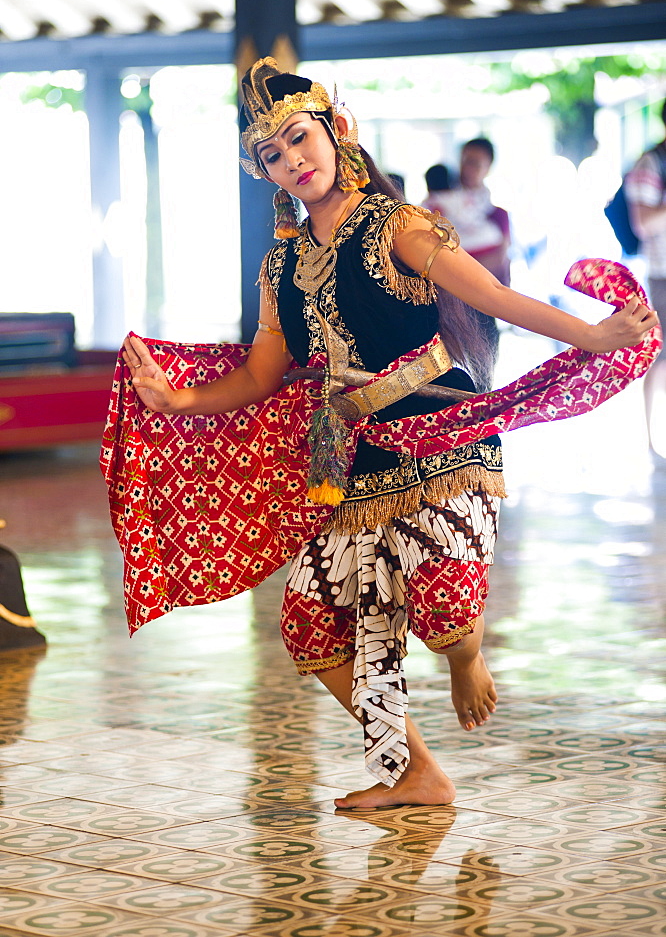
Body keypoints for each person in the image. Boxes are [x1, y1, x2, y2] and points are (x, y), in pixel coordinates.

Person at [121, 58, 657, 811]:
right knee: (310, 622)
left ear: (336, 132)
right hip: (344, 454)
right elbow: (260, 375)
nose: (293, 161)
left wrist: (595, 336)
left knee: (443, 611)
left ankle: (466, 654)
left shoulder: (397, 225)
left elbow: (496, 296)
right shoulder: (281, 262)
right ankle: (414, 772)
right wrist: (174, 401)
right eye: (273, 155)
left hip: (441, 428)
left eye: (300, 139)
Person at [625, 100, 666, 457]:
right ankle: (653, 440)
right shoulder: (652, 163)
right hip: (662, 271)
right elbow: (643, 222)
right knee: (658, 354)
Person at [424, 139, 511, 288]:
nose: (467, 169)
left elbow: (500, 258)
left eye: (474, 163)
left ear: (488, 167)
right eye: (464, 161)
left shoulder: (497, 215)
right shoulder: (441, 207)